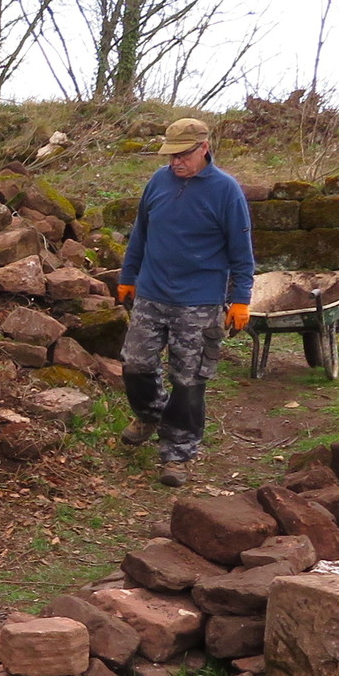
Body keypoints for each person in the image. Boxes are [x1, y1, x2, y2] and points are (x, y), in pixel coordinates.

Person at [117, 116, 254, 485]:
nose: (176, 162)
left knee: (189, 379)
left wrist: (240, 298)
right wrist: (128, 277)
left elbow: (241, 252)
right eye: (171, 155)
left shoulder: (226, 191)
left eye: (183, 155)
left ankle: (177, 452)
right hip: (151, 293)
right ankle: (150, 414)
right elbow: (141, 233)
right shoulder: (158, 182)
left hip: (199, 301)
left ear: (204, 148)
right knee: (135, 364)